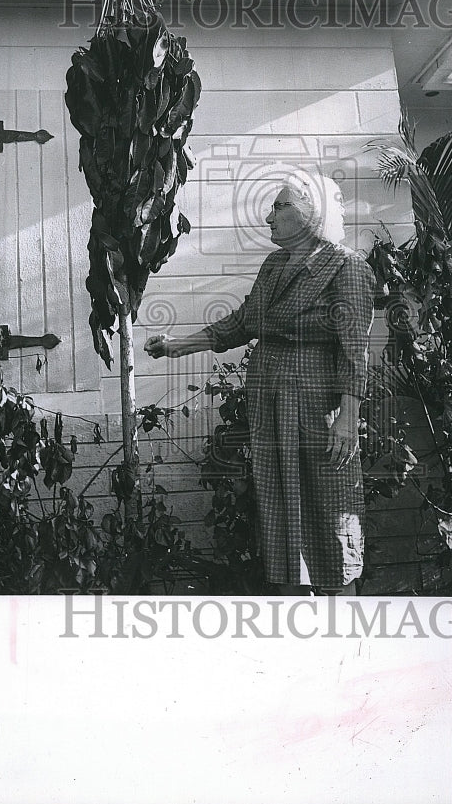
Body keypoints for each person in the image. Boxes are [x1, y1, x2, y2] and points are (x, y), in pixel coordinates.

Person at [144, 171, 376, 596]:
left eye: (278, 207)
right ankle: (301, 618)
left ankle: (342, 622)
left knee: (329, 510)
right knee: (284, 514)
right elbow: (243, 322)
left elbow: (353, 348)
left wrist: (348, 418)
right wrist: (178, 346)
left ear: (310, 212)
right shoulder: (274, 266)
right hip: (273, 413)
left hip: (315, 416)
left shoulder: (347, 267)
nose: (268, 217)